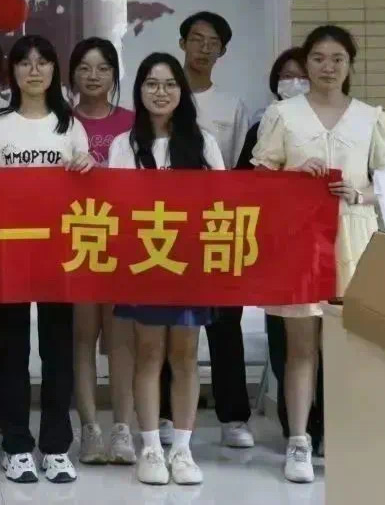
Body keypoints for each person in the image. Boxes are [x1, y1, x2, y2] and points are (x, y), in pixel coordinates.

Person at [250, 25, 385, 484]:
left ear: (350, 64)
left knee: (350, 345)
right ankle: (298, 440)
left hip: (355, 236)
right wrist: (294, 176)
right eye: (318, 58)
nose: (328, 67)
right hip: (300, 238)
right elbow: (260, 178)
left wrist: (360, 194)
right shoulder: (283, 115)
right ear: (306, 63)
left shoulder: (370, 118)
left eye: (337, 59)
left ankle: (345, 436)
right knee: (300, 347)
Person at [0, 35, 93, 484]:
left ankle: (56, 447)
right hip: (9, 252)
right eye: (25, 63)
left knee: (58, 351)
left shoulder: (69, 124)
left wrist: (87, 166)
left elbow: (85, 185)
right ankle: (17, 446)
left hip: (59, 254)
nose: (34, 70)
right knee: (12, 350)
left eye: (42, 62)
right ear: (13, 72)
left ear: (55, 70)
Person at [110, 52, 226, 487]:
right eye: (152, 84)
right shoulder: (124, 145)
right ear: (139, 91)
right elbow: (115, 207)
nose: (161, 92)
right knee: (148, 353)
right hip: (143, 263)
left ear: (182, 91)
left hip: (190, 265)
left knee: (185, 356)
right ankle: (151, 449)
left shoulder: (203, 143)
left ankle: (182, 449)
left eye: (170, 84)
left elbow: (222, 204)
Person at [236, 48, 323, 456]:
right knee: (286, 342)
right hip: (280, 245)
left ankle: (327, 427)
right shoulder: (266, 124)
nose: (295, 81)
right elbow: (247, 181)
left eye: (302, 74)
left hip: (330, 245)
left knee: (328, 343)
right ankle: (297, 429)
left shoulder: (341, 121)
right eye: (287, 75)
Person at [177, 11, 252, 450]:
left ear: (222, 52)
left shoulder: (232, 106)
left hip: (219, 226)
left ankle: (233, 416)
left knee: (225, 325)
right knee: (168, 323)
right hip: (167, 229)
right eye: (197, 39)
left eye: (213, 43)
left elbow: (241, 171)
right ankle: (166, 414)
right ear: (182, 43)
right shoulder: (164, 95)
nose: (203, 49)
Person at [66, 37, 137, 466]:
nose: (93, 76)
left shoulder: (133, 122)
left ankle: (123, 428)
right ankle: (90, 428)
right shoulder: (60, 122)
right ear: (72, 74)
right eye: (85, 68)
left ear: (114, 74)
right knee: (83, 337)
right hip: (76, 243)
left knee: (122, 339)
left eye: (103, 68)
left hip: (124, 244)